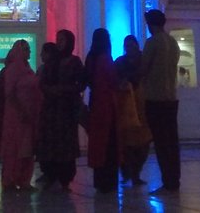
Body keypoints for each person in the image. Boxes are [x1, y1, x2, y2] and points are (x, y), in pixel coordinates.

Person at [36, 28, 85, 189]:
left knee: (65, 144)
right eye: (57, 40)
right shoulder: (52, 63)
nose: (59, 44)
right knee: (51, 142)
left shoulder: (74, 62)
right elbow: (42, 83)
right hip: (51, 109)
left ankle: (65, 177)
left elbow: (81, 84)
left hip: (66, 110)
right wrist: (50, 90)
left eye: (62, 40)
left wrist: (65, 89)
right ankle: (50, 173)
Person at [140, 8, 180, 195]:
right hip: (171, 98)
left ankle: (168, 182)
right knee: (171, 142)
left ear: (151, 24)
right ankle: (174, 180)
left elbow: (144, 68)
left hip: (155, 99)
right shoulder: (172, 42)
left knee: (162, 143)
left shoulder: (153, 42)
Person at [84, 28, 121, 193]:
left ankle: (99, 180)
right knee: (109, 144)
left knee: (98, 143)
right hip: (106, 105)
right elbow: (113, 80)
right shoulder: (105, 59)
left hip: (95, 103)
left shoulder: (90, 58)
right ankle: (109, 181)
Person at [0, 39, 40, 191]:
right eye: (26, 49)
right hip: (16, 115)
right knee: (14, 147)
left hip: (28, 115)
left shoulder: (27, 68)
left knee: (26, 147)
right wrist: (22, 110)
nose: (29, 52)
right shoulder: (14, 69)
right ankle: (10, 179)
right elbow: (10, 93)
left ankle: (24, 180)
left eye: (29, 49)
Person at [115, 33, 152, 186]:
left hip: (141, 106)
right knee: (127, 143)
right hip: (127, 107)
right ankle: (129, 172)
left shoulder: (143, 61)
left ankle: (135, 173)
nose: (129, 49)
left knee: (143, 142)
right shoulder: (122, 62)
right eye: (127, 46)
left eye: (131, 45)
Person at [34, 41, 59, 183]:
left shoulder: (50, 69)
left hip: (50, 110)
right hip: (44, 109)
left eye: (44, 52)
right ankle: (48, 170)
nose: (41, 55)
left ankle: (50, 171)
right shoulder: (43, 69)